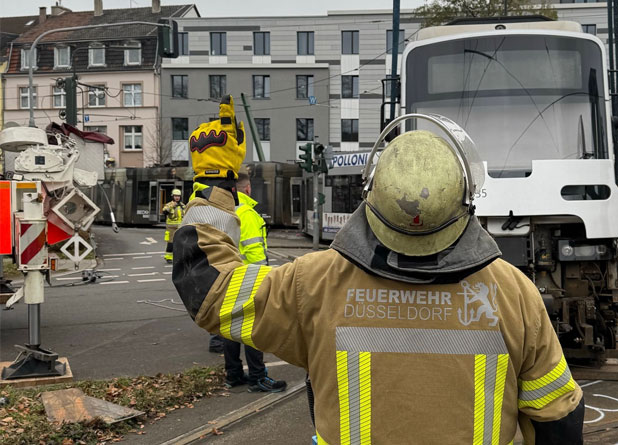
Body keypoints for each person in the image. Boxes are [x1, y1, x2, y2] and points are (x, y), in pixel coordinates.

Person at [174, 105, 584, 443]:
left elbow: (209, 289)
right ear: (465, 199)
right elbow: (557, 418)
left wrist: (215, 181)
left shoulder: (314, 284)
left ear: (369, 190)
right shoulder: (513, 294)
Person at [220, 169, 286, 393]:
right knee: (253, 330)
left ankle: (233, 375)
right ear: (247, 188)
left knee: (231, 330)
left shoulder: (223, 211)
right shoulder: (246, 213)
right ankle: (258, 377)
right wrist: (265, 282)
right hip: (248, 279)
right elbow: (255, 252)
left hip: (227, 277)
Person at [162, 189, 184, 263]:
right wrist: (171, 206)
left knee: (180, 243)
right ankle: (168, 257)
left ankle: (178, 257)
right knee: (171, 243)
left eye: (178, 196)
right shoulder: (169, 204)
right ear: (172, 196)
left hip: (180, 227)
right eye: (175, 196)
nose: (177, 197)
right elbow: (164, 212)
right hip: (171, 227)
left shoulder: (182, 205)